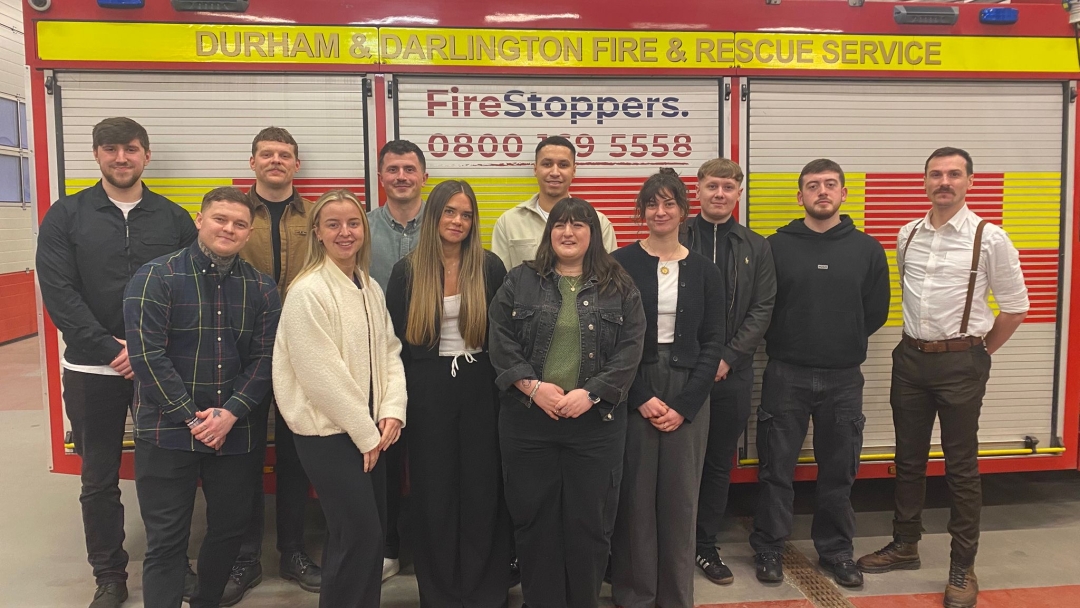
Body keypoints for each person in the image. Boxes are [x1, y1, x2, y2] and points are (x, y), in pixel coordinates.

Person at [856, 148, 1029, 608]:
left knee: (961, 468)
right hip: (910, 359)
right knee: (908, 460)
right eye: (936, 174)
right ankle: (905, 545)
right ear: (925, 181)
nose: (944, 182)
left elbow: (1014, 308)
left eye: (954, 174)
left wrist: (979, 353)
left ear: (970, 181)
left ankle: (962, 567)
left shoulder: (990, 238)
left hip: (961, 362)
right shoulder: (907, 233)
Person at [36, 117, 196, 608]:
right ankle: (109, 575)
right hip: (91, 371)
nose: (120, 158)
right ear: (97, 155)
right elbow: (59, 293)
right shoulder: (66, 216)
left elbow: (190, 291)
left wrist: (146, 351)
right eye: (110, 149)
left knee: (167, 474)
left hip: (161, 371)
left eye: (130, 149)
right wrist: (112, 350)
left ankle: (172, 565)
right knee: (99, 478)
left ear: (146, 155)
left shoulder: (174, 219)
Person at [124, 186, 280, 608]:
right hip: (166, 435)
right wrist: (191, 418)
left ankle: (207, 600)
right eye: (220, 219)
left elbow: (265, 360)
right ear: (199, 220)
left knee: (229, 532)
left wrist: (229, 414)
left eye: (239, 224)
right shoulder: (155, 277)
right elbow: (146, 356)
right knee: (166, 543)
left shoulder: (263, 290)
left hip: (234, 436)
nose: (228, 229)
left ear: (249, 233)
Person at [489, 197, 646, 608]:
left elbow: (631, 349)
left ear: (593, 234)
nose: (568, 232)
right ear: (549, 232)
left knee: (590, 525)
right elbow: (500, 339)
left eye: (579, 225)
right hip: (528, 421)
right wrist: (532, 387)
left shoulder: (620, 284)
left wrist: (592, 392)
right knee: (533, 521)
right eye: (560, 224)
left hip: (595, 424)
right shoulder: (521, 279)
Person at [749, 159, 890, 588]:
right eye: (813, 186)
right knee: (776, 468)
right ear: (800, 196)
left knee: (838, 471)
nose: (822, 192)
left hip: (844, 378)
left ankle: (836, 551)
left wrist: (837, 339)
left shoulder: (868, 249)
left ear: (844, 194)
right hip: (785, 374)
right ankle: (770, 547)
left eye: (831, 185)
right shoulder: (775, 246)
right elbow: (764, 308)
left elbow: (875, 312)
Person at [273, 189, 407, 608]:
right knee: (360, 535)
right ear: (317, 232)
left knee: (364, 537)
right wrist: (366, 434)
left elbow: (389, 351)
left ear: (364, 230)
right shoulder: (308, 292)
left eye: (353, 223)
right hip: (329, 434)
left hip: (371, 431)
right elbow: (320, 376)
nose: (345, 232)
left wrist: (392, 411)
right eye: (333, 224)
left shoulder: (368, 287)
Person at [385, 180, 511, 607]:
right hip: (427, 388)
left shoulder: (490, 267)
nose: (458, 221)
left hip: (482, 385)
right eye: (450, 212)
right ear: (434, 215)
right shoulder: (406, 271)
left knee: (482, 489)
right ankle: (439, 593)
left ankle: (485, 589)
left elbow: (506, 338)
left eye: (466, 213)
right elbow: (394, 345)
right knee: (433, 492)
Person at [610, 169, 725, 608]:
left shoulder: (705, 271)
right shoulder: (619, 264)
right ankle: (636, 597)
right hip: (632, 386)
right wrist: (639, 397)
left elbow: (713, 341)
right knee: (635, 501)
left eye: (669, 203)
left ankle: (676, 598)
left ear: (683, 209)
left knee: (680, 505)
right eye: (652, 204)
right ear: (642, 212)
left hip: (687, 390)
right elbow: (609, 339)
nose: (661, 212)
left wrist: (686, 404)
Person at [228, 126, 321, 605]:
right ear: (253, 163)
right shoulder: (235, 213)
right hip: (243, 351)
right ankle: (245, 556)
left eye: (285, 155)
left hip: (302, 352)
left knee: (294, 456)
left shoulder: (316, 214)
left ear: (296, 165)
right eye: (267, 154)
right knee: (243, 456)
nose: (276, 161)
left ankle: (293, 551)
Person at [682, 158, 776, 585]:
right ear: (696, 191)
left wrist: (726, 358)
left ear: (739, 194)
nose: (719, 194)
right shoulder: (676, 234)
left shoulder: (756, 246)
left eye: (728, 187)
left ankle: (704, 545)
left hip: (730, 375)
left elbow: (762, 309)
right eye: (712, 186)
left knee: (719, 463)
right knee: (678, 462)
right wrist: (700, 361)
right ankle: (672, 543)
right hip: (681, 372)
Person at [366, 139, 427, 580]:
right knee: (383, 456)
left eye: (410, 169)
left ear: (424, 176)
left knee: (429, 457)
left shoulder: (447, 224)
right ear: (381, 177)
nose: (402, 177)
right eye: (393, 170)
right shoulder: (361, 227)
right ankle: (386, 546)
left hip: (431, 362)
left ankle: (427, 543)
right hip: (374, 363)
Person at [491, 136, 619, 270]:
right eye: (547, 164)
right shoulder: (509, 222)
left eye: (563, 165)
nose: (555, 172)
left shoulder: (598, 222)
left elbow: (609, 278)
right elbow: (501, 280)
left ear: (574, 171)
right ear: (535, 169)